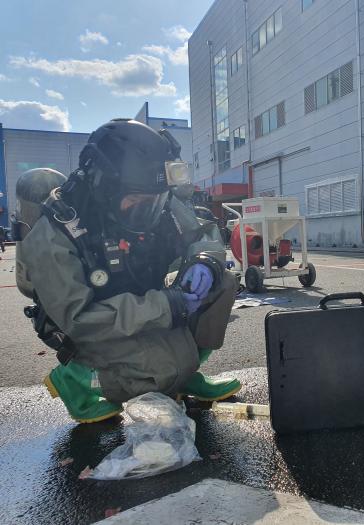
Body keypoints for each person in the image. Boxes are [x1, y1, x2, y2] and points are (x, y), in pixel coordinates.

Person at [16, 119, 240, 423]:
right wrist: (167, 305)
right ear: (105, 188)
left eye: (155, 201)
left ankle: (186, 374)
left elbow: (202, 234)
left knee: (222, 282)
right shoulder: (55, 234)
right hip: (93, 329)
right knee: (161, 373)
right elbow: (79, 319)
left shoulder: (155, 198)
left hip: (140, 307)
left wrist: (205, 259)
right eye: (136, 201)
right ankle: (77, 379)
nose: (148, 210)